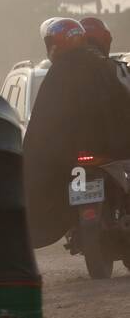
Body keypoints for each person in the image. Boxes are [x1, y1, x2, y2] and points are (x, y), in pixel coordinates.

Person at [23, 16, 130, 247]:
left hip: (76, 155)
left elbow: (44, 123)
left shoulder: (59, 73)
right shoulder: (105, 67)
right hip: (109, 149)